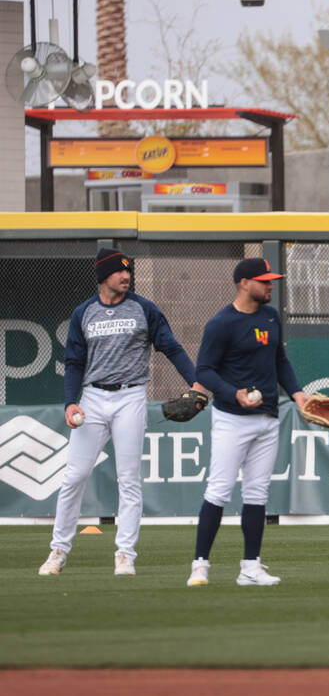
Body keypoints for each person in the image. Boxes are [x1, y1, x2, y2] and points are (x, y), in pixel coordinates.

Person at [39, 248, 204, 577]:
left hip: (130, 396)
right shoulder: (83, 313)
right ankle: (57, 551)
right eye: (119, 272)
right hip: (93, 398)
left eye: (128, 271)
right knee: (75, 475)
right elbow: (74, 363)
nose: (126, 276)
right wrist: (71, 401)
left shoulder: (144, 308)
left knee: (129, 479)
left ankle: (125, 555)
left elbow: (170, 346)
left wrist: (196, 383)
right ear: (103, 276)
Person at [187, 258, 311, 587]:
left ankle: (250, 567)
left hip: (268, 416)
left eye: (272, 281)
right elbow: (204, 371)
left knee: (257, 493)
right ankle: (200, 565)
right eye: (264, 281)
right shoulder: (221, 323)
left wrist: (298, 394)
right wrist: (233, 393)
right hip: (232, 418)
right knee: (219, 489)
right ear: (244, 283)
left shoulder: (271, 317)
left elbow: (280, 361)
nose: (271, 286)